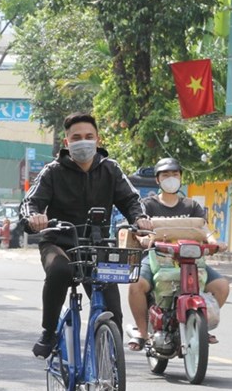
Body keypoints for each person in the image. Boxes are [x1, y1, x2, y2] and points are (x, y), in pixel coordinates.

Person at [21, 112, 152, 359]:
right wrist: (34, 217)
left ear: (98, 139)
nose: (83, 141)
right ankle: (49, 332)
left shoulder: (111, 169)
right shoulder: (52, 171)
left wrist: (139, 218)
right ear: (67, 142)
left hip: (98, 246)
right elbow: (31, 203)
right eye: (76, 137)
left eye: (89, 136)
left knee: (112, 308)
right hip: (59, 244)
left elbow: (131, 200)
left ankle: (109, 367)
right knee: (60, 271)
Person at [126, 157, 229, 351]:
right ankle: (142, 331)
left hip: (190, 259)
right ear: (157, 180)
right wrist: (144, 239)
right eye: (165, 175)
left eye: (175, 174)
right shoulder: (147, 205)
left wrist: (215, 243)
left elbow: (204, 229)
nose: (171, 178)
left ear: (181, 177)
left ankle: (199, 325)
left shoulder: (192, 206)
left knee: (222, 286)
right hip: (156, 257)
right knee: (136, 285)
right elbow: (139, 229)